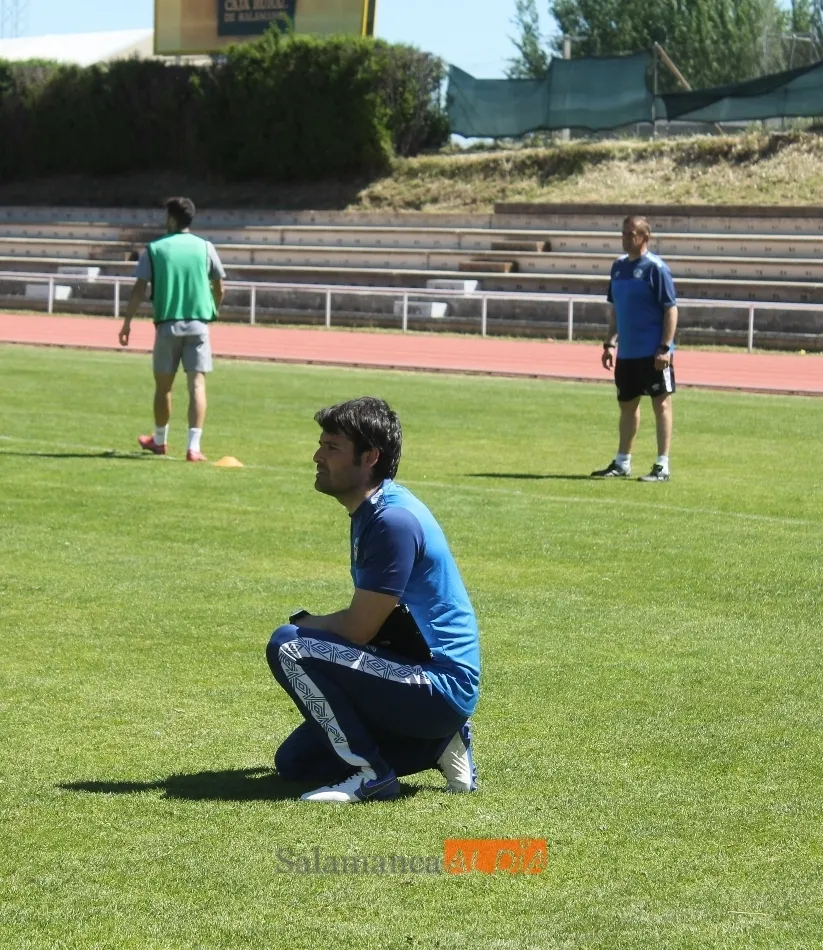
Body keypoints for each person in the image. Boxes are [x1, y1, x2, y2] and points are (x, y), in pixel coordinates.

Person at [266, 396, 480, 804]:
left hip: (438, 684)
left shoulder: (392, 521)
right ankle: (437, 744)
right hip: (417, 676)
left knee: (289, 644)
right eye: (321, 444)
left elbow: (360, 629)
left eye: (332, 447)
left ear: (369, 458)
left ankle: (372, 775)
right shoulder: (373, 511)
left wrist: (307, 623)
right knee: (296, 763)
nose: (317, 456)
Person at [118, 197, 225, 462]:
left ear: (172, 218)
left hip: (167, 324)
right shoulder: (205, 247)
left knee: (164, 387)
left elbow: (139, 289)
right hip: (198, 324)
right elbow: (220, 286)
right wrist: (212, 310)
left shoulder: (155, 249)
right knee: (197, 385)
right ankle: (193, 447)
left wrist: (127, 322)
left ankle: (159, 440)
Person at [591, 214, 679, 482]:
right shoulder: (618, 267)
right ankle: (622, 462)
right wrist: (610, 343)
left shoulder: (656, 268)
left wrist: (664, 348)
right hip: (627, 353)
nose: (626, 239)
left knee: (661, 404)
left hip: (653, 352)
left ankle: (662, 465)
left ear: (645, 237)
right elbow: (616, 310)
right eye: (623, 233)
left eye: (631, 234)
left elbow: (671, 309)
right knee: (627, 405)